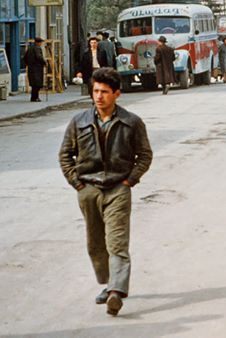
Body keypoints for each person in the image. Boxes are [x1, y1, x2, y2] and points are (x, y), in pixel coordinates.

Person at [58, 67, 153, 316]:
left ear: (117, 94)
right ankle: (109, 283)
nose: (99, 96)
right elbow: (65, 155)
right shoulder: (79, 121)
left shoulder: (131, 122)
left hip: (118, 189)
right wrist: (77, 183)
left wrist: (129, 181)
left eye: (105, 92)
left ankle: (116, 293)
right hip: (88, 189)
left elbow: (144, 155)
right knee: (96, 244)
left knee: (117, 243)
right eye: (96, 91)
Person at [23, 36, 46, 102]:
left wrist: (28, 64)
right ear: (38, 43)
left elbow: (25, 58)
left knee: (34, 84)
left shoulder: (30, 48)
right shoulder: (37, 48)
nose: (41, 44)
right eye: (40, 42)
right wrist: (44, 62)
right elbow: (39, 57)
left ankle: (33, 97)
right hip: (37, 69)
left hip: (31, 68)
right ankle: (36, 97)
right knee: (37, 84)